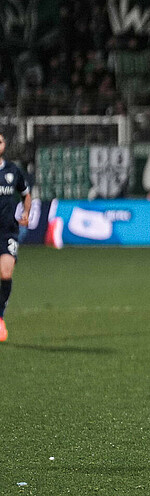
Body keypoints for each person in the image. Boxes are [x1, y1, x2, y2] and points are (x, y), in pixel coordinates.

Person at [0, 132, 32, 342]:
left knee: (5, 273)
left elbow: (26, 194)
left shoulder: (13, 171)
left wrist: (26, 212)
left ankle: (0, 317)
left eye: (0, 141)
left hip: (8, 231)